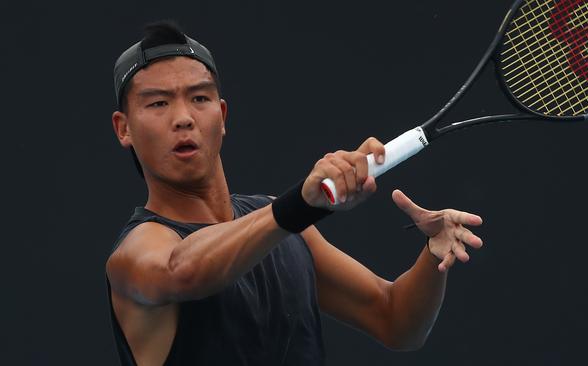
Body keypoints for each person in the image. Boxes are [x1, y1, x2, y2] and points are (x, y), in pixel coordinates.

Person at [106, 21, 484, 366]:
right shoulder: (135, 254)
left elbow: (395, 320)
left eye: (200, 98)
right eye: (158, 103)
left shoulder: (283, 225)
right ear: (124, 129)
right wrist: (299, 206)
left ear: (222, 116)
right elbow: (183, 271)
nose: (184, 117)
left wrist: (433, 254)